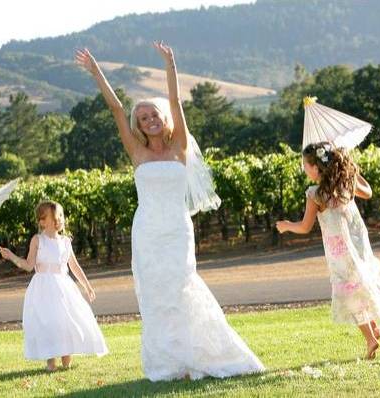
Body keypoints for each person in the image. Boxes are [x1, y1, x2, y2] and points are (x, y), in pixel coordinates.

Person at [75, 42, 264, 381]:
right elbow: (117, 109)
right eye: (143, 117)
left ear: (163, 118)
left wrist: (171, 63)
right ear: (139, 124)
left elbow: (176, 101)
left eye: (153, 115)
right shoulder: (136, 151)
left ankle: (199, 355)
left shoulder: (180, 147)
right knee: (156, 294)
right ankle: (169, 365)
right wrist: (96, 72)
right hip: (147, 230)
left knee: (182, 288)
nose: (149, 120)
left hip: (177, 230)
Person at [276, 142, 380, 359]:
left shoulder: (315, 194)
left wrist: (287, 225)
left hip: (339, 251)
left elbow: (305, 227)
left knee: (348, 291)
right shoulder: (345, 184)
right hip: (358, 244)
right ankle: (374, 327)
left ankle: (371, 338)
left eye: (305, 165)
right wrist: (351, 168)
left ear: (316, 168)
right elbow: (369, 192)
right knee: (361, 281)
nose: (304, 169)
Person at [0, 200, 108, 371]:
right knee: (48, 322)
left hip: (63, 286)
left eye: (61, 216)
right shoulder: (37, 240)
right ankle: (51, 362)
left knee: (66, 320)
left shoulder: (65, 241)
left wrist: (87, 286)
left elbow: (73, 265)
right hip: (43, 287)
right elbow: (29, 265)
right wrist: (12, 256)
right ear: (42, 221)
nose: (59, 219)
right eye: (55, 216)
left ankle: (67, 359)